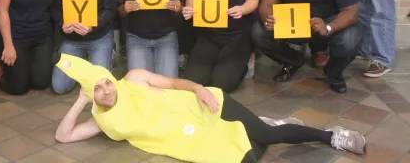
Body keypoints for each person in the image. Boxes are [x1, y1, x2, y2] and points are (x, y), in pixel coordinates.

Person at [54, 54, 367, 163]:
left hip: (206, 106)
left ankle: (331, 136)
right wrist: (83, 99)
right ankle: (266, 125)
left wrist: (199, 89)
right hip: (190, 138)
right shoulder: (101, 121)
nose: (107, 89)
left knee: (266, 138)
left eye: (106, 81)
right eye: (98, 88)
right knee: (247, 155)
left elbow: (176, 83)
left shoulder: (134, 78)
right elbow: (63, 136)